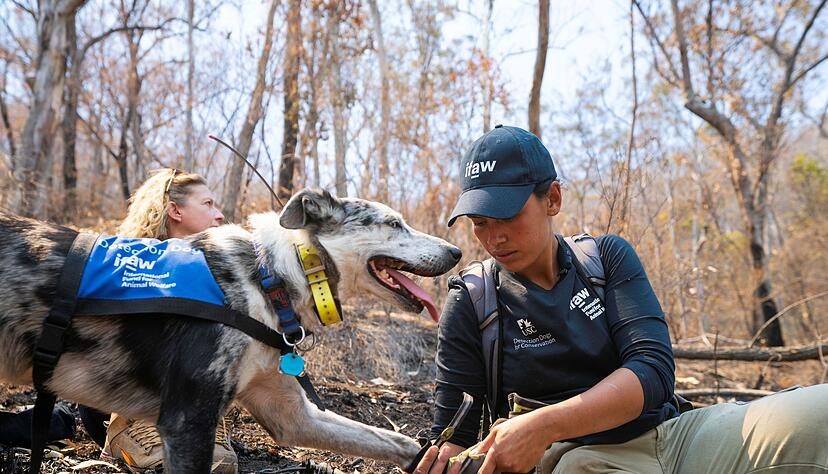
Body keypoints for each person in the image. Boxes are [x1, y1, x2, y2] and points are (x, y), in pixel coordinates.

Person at [412, 125, 828, 474]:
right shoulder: (472, 300)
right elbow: (454, 435)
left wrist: (543, 425)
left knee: (819, 413)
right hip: (575, 462)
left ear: (552, 199)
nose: (494, 237)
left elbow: (652, 371)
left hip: (675, 438)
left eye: (507, 216)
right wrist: (448, 459)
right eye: (480, 223)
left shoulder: (605, 258)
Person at [79, 168, 233, 473]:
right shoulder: (129, 264)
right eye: (208, 204)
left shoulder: (222, 272)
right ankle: (128, 432)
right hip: (119, 402)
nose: (220, 216)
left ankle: (204, 425)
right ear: (175, 210)